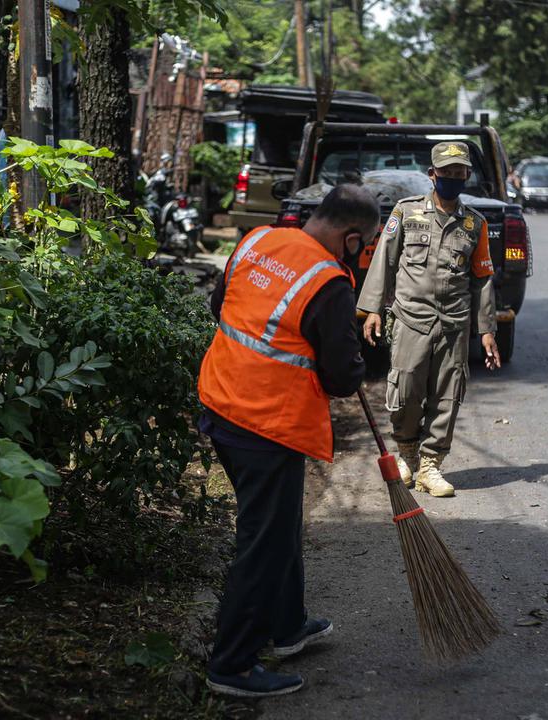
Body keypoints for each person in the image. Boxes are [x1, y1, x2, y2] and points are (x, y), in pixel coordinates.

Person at [198, 184, 380, 698]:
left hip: (221, 402)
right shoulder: (329, 282)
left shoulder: (257, 240)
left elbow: (221, 306)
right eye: (364, 246)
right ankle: (230, 666)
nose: (362, 255)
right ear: (349, 239)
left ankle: (287, 626)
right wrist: (355, 361)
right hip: (267, 424)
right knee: (264, 540)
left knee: (278, 526)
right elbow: (343, 376)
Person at [356, 141, 501, 499]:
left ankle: (430, 465)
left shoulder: (474, 224)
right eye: (447, 172)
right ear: (432, 175)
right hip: (410, 319)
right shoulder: (405, 213)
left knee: (447, 397)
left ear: (466, 176)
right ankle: (406, 453)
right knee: (405, 392)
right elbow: (384, 261)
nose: (454, 178)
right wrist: (372, 308)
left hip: (453, 324)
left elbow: (482, 278)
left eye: (460, 173)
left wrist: (486, 331)